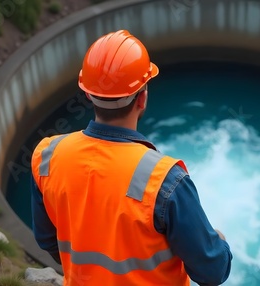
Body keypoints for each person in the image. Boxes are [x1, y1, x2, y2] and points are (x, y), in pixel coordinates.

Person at [30, 30, 232, 286]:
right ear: (143, 98)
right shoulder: (165, 180)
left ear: (88, 94)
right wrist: (220, 242)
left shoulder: (47, 155)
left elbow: (48, 240)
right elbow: (212, 272)